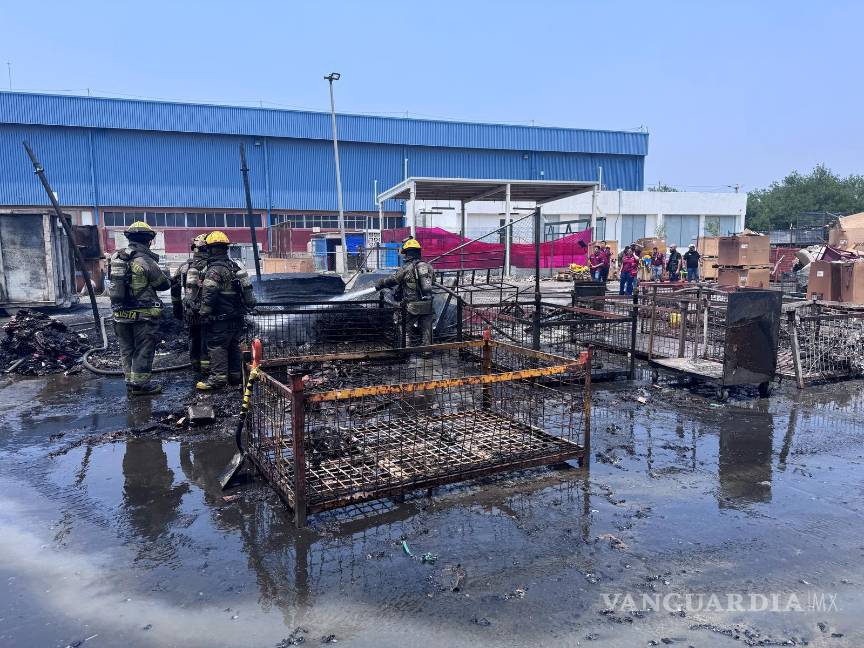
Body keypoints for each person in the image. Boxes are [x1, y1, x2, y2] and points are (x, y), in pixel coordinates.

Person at [107, 221, 171, 396]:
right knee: (143, 349)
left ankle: (131, 382)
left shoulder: (116, 258)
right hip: (143, 316)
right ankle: (141, 385)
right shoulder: (144, 260)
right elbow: (163, 285)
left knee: (126, 349)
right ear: (149, 240)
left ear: (129, 239)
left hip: (120, 313)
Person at [196, 231, 257, 390]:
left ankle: (218, 380)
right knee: (233, 345)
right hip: (237, 318)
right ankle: (235, 377)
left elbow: (209, 294)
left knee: (217, 346)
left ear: (210, 249)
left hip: (220, 319)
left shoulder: (214, 270)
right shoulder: (235, 267)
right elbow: (250, 297)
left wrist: (203, 313)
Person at [375, 238, 434, 346]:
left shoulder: (406, 268)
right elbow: (432, 282)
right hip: (428, 304)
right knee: (427, 330)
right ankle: (427, 351)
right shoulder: (428, 266)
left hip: (412, 305)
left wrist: (382, 282)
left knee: (403, 326)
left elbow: (394, 280)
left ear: (407, 253)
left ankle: (405, 350)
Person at [171, 234, 209, 376]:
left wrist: (177, 308)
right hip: (208, 309)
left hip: (190, 310)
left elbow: (174, 287)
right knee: (207, 336)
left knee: (193, 335)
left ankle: (195, 364)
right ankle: (206, 366)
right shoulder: (212, 266)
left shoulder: (184, 266)